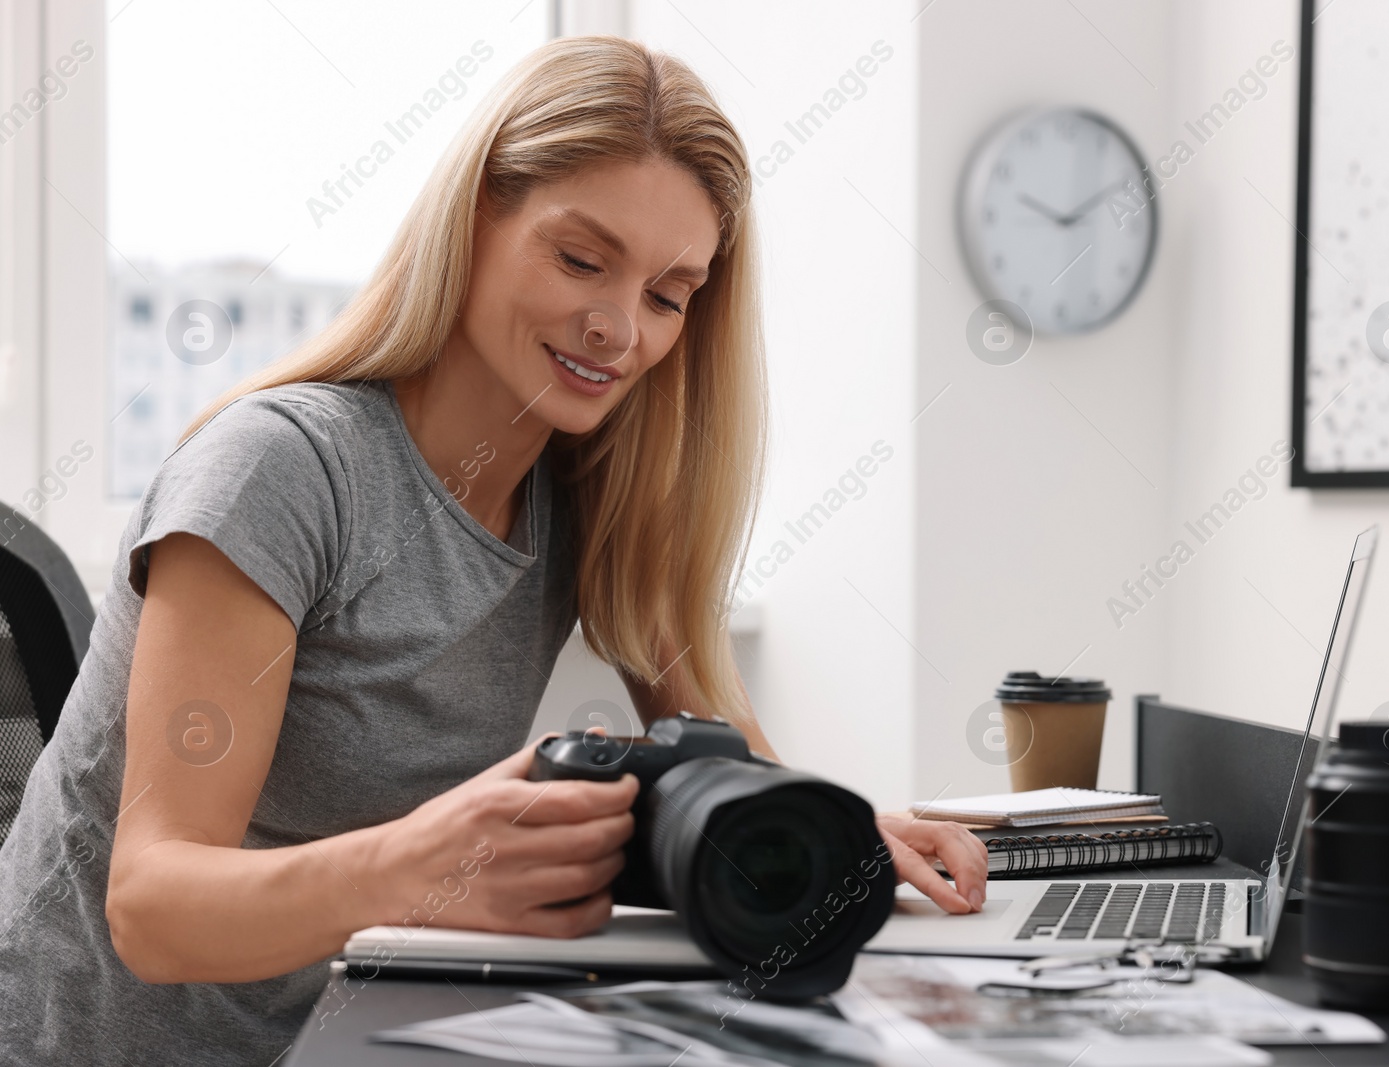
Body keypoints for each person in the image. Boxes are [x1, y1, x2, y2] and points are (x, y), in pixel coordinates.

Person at [0, 34, 986, 1066]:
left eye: (666, 293)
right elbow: (154, 906)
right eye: (578, 259)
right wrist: (418, 865)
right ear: (475, 219)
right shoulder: (280, 473)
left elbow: (718, 749)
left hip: (359, 1036)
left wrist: (839, 829)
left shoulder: (584, 492)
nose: (617, 327)